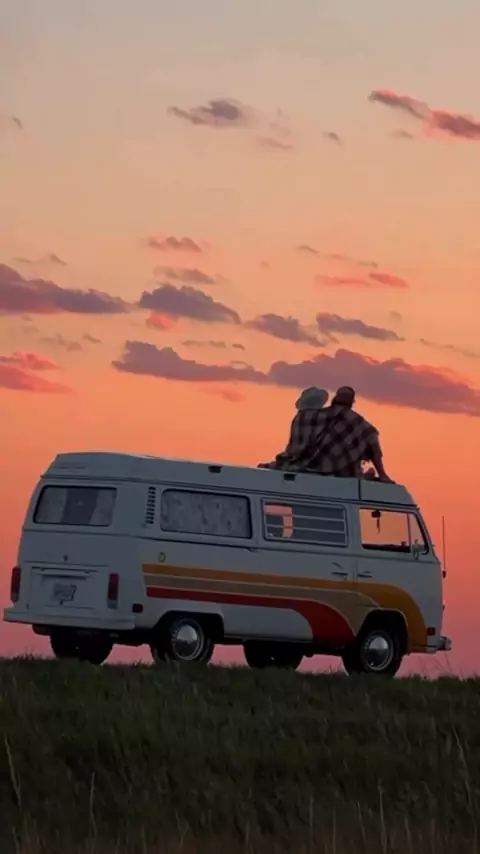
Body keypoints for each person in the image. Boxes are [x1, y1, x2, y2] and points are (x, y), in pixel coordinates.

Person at [307, 385, 393, 482]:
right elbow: (372, 439)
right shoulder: (357, 422)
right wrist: (382, 474)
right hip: (342, 471)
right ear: (351, 401)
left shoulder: (314, 416)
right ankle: (382, 474)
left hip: (307, 466)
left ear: (335, 398)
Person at [258, 386, 329, 471]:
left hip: (295, 457)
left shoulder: (298, 417)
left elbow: (292, 444)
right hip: (316, 460)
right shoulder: (325, 417)